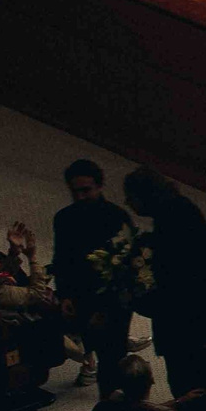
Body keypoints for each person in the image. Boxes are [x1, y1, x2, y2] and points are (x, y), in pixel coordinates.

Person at [122, 166, 206, 395]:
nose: (127, 202)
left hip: (188, 318)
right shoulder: (178, 210)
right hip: (200, 311)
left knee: (185, 380)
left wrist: (137, 299)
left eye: (130, 197)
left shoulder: (173, 217)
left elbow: (174, 282)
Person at [52, 158, 140, 391]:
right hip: (82, 297)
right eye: (75, 191)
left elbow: (126, 269)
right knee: (95, 343)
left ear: (99, 187)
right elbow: (62, 260)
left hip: (114, 302)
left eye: (86, 190)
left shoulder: (116, 218)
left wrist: (105, 309)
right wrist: (65, 295)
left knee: (112, 360)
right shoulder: (64, 219)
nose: (80, 196)